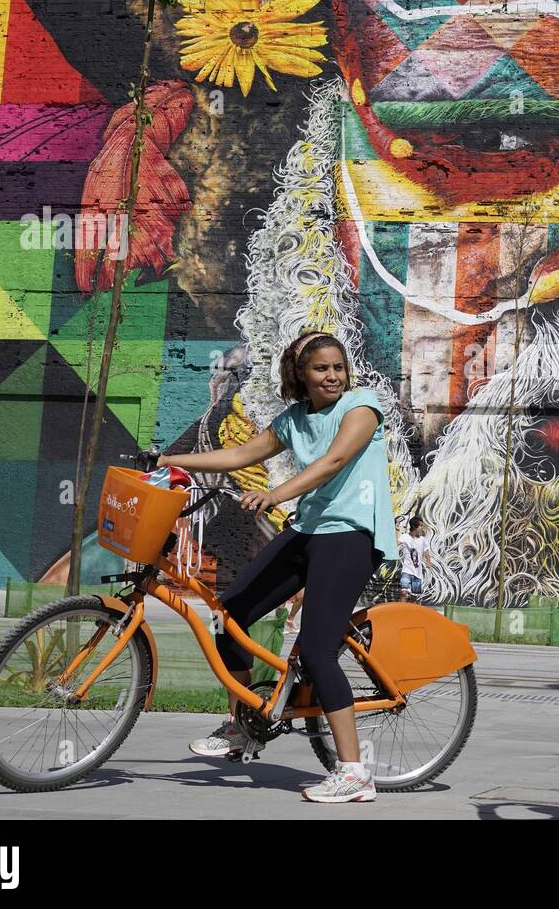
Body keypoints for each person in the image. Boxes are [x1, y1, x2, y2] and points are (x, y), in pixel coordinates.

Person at [158, 330, 397, 803]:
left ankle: (354, 773)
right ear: (301, 374)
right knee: (230, 613)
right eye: (321, 368)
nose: (332, 376)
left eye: (338, 367)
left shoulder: (362, 406)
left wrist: (274, 494)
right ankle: (240, 726)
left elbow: (335, 460)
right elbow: (240, 455)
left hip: (351, 535)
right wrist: (168, 458)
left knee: (317, 648)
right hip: (308, 530)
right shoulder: (293, 419)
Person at [398, 517, 431, 603]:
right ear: (414, 526)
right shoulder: (405, 537)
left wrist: (428, 562)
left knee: (414, 596)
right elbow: (396, 542)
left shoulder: (423, 540)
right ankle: (401, 610)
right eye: (420, 526)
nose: (422, 528)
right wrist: (396, 530)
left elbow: (426, 551)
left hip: (418, 573)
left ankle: (411, 611)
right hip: (407, 570)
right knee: (403, 593)